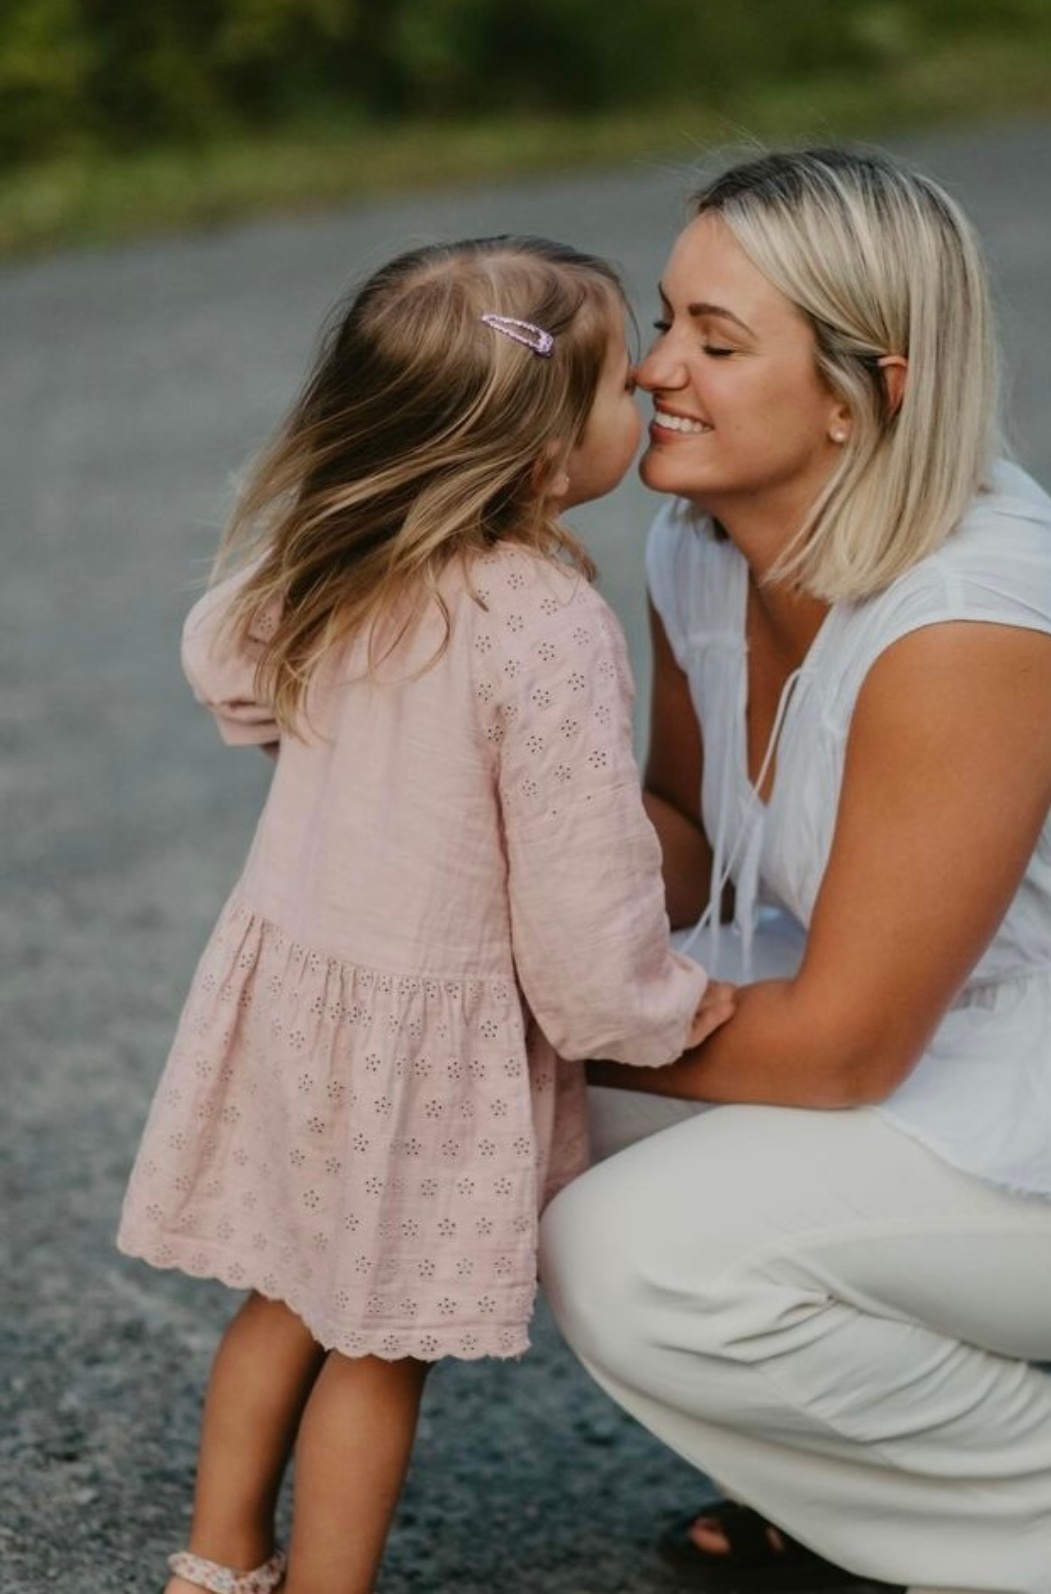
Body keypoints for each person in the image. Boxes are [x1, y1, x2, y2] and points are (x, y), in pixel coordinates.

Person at [540, 147, 1051, 1594]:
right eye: (668, 320)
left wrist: (552, 1026)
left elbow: (840, 1049)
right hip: (936, 1023)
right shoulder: (698, 544)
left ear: (866, 392)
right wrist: (469, 804)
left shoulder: (977, 622)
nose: (654, 370)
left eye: (717, 343)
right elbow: (687, 834)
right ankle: (864, 1487)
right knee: (515, 1117)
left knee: (634, 1255)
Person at [117, 234, 733, 1594]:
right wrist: (661, 1004)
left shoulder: (347, 557)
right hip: (422, 1037)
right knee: (379, 1342)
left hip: (297, 990)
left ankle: (215, 1560)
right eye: (620, 380)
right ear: (535, 452)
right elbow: (582, 899)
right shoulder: (544, 626)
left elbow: (229, 662)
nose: (647, 382)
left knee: (281, 1289)